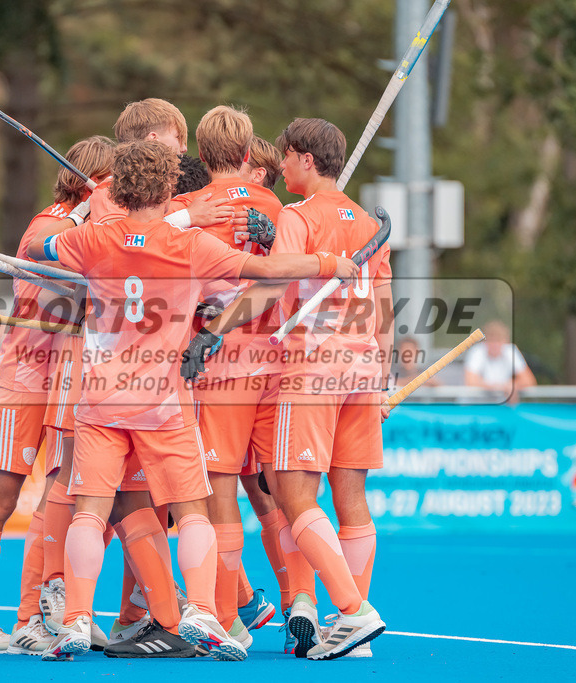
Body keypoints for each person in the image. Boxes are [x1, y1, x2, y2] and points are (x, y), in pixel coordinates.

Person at [27, 139, 360, 661]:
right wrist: (328, 262)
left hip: (100, 400)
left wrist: (82, 214)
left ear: (120, 188)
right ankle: (202, 611)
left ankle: (75, 619)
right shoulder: (190, 245)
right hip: (162, 401)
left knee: (89, 512)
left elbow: (34, 248)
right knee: (192, 510)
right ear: (169, 188)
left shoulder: (90, 239)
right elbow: (267, 272)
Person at [184, 117, 390, 660]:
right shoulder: (365, 221)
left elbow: (270, 284)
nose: (280, 164)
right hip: (362, 371)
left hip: (306, 369)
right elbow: (384, 307)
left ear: (304, 158)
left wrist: (213, 329)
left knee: (290, 496)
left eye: (286, 155)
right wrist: (383, 375)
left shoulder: (296, 215)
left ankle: (349, 611)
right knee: (349, 501)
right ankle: (340, 624)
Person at [0, 135, 115, 656]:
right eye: (113, 179)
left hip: (68, 380)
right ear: (92, 180)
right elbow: (47, 257)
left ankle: (31, 619)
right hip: (26, 380)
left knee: (58, 498)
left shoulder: (97, 227)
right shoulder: (50, 224)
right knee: (1, 499)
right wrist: (89, 214)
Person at [168, 105, 285, 647]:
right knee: (281, 492)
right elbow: (289, 277)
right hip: (275, 360)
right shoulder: (273, 205)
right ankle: (302, 607)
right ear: (245, 153)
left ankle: (227, 616)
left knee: (217, 492)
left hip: (214, 363)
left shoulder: (187, 208)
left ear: (200, 151)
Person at [464, 320, 536, 401]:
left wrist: (512, 385)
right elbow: (470, 382)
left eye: (498, 340)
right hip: (475, 404)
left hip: (501, 405)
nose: (494, 344)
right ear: (484, 341)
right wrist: (500, 387)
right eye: (491, 340)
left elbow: (529, 381)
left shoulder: (510, 351)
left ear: (505, 341)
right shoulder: (477, 351)